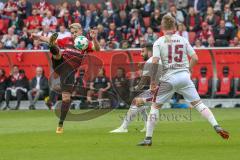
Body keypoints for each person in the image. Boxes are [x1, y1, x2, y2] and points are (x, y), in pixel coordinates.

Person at [138, 15, 229, 146]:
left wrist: (153, 82)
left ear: (162, 27)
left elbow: (155, 62)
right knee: (198, 104)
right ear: (174, 27)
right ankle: (216, 125)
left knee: (155, 106)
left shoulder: (158, 42)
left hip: (168, 79)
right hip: (184, 77)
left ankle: (148, 138)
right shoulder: (182, 40)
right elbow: (195, 58)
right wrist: (188, 70)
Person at [31, 23, 100, 134]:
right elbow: (46, 38)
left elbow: (97, 49)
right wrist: (38, 37)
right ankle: (53, 46)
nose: (73, 34)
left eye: (75, 32)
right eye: (72, 32)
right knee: (57, 52)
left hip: (69, 73)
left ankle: (60, 124)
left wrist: (94, 38)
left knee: (66, 99)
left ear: (80, 31)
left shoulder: (85, 43)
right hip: (60, 64)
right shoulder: (67, 40)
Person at [110, 46, 162, 133]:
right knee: (140, 104)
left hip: (160, 89)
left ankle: (123, 128)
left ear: (149, 52)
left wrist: (134, 88)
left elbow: (143, 81)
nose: (141, 54)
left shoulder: (150, 61)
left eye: (143, 51)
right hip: (162, 87)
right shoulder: (161, 59)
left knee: (135, 101)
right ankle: (146, 126)